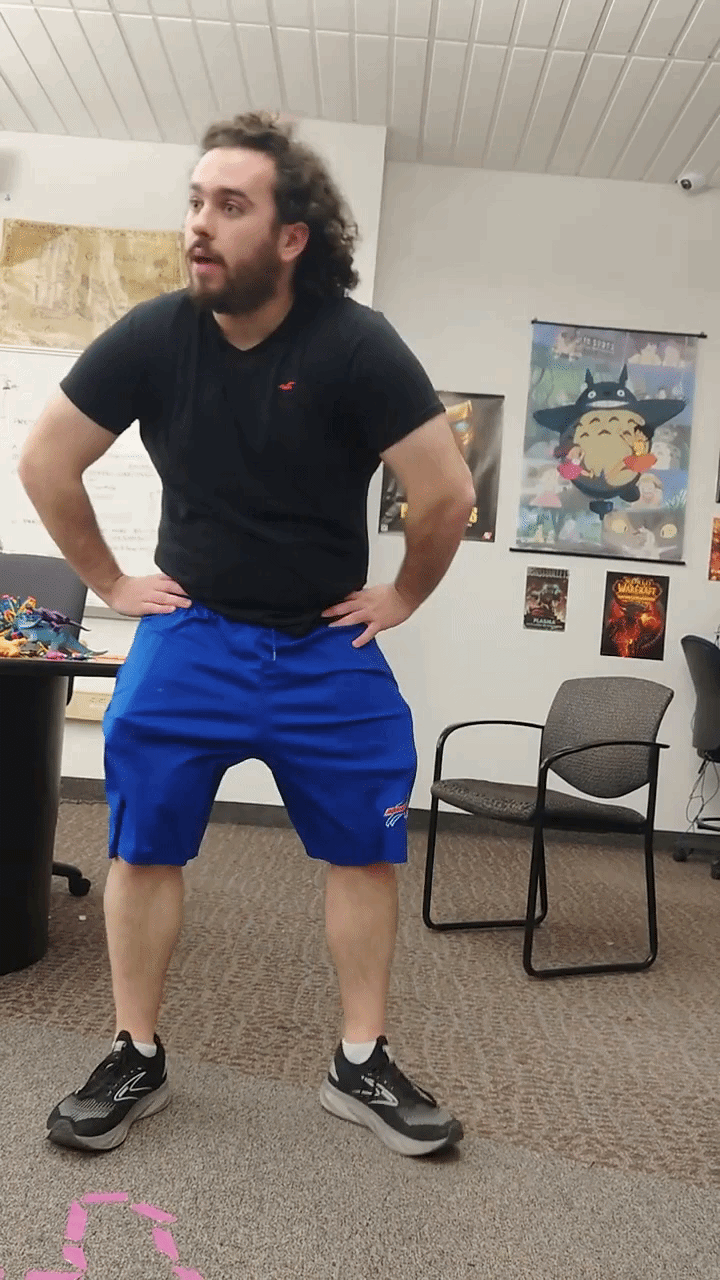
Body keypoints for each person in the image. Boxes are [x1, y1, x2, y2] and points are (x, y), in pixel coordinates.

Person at [19, 112, 475, 1158]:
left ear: (290, 236)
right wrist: (110, 582)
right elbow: (46, 459)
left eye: (230, 206)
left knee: (364, 849)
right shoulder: (156, 335)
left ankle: (360, 1060)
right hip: (193, 638)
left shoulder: (355, 344)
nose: (200, 224)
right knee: (142, 844)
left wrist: (402, 596)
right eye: (194, 202)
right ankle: (135, 1050)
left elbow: (446, 491)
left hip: (325, 648)